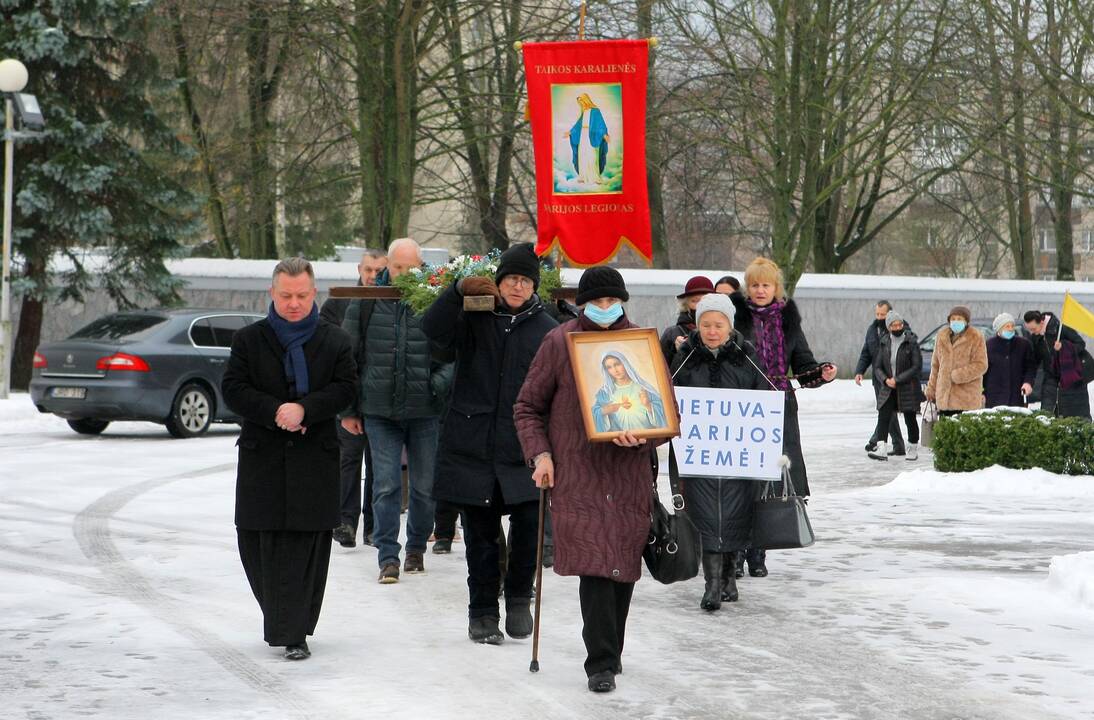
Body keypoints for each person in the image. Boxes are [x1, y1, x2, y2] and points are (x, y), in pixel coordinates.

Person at [514, 266, 674, 694]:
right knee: (596, 567)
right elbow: (527, 407)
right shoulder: (559, 342)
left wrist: (643, 435)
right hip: (579, 473)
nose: (604, 309)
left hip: (628, 475)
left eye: (611, 301)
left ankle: (611, 650)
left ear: (622, 302)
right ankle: (599, 662)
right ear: (581, 304)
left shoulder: (640, 344)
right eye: (596, 302)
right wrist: (541, 454)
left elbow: (664, 411)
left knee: (622, 565)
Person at [421, 242, 558, 645]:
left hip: (523, 447)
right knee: (479, 537)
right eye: (511, 278)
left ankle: (518, 597)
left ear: (534, 286)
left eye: (525, 280)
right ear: (499, 282)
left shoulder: (548, 330)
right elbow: (432, 331)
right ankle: (481, 612)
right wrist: (457, 290)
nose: (517, 286)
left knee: (529, 527)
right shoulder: (476, 315)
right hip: (473, 444)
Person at [221, 258, 357, 661]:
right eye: (286, 296)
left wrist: (306, 410)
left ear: (313, 294)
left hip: (314, 460)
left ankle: (292, 631)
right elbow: (233, 388)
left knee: (305, 547)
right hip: (262, 459)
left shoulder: (335, 340)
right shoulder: (249, 340)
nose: (294, 304)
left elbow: (346, 388)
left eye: (301, 296)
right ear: (272, 294)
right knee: (255, 544)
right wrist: (276, 410)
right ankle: (284, 619)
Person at [341, 238, 453, 584]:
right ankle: (387, 555)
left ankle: (416, 547)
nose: (404, 274)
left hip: (424, 410)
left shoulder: (434, 300)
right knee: (386, 485)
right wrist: (349, 409)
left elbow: (453, 353)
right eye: (399, 267)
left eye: (412, 267)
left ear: (422, 266)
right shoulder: (367, 301)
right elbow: (348, 356)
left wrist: (436, 385)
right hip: (379, 410)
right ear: (388, 264)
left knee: (423, 486)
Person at [730, 257, 836, 578]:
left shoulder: (788, 321)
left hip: (778, 409)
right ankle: (734, 551)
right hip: (741, 408)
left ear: (776, 289)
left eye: (766, 285)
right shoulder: (734, 317)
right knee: (739, 482)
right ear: (747, 288)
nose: (760, 290)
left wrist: (821, 373)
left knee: (769, 483)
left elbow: (803, 365)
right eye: (755, 285)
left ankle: (757, 552)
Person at [669, 292, 768, 611]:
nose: (712, 331)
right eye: (707, 324)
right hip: (700, 456)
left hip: (738, 456)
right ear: (698, 325)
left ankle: (729, 577)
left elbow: (764, 397)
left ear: (730, 325)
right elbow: (670, 395)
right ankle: (711, 585)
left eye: (719, 324)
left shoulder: (747, 355)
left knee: (736, 517)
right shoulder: (685, 355)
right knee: (707, 519)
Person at [320, 248, 387, 549]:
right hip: (347, 392)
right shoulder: (339, 300)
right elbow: (323, 341)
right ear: (359, 269)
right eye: (368, 270)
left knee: (378, 465)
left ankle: (373, 527)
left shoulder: (393, 301)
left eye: (378, 270)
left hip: (380, 396)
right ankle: (345, 522)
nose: (372, 276)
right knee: (348, 460)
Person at [866, 310, 923, 461]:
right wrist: (885, 380)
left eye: (900, 324)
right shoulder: (884, 342)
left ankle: (912, 447)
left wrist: (897, 379)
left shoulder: (911, 342)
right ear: (889, 326)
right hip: (888, 386)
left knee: (909, 417)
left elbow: (916, 366)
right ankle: (882, 448)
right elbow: (877, 366)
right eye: (894, 325)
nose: (897, 327)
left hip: (907, 386)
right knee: (884, 415)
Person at [854, 300, 906, 456]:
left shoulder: (898, 328)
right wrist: (860, 371)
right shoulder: (872, 330)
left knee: (887, 410)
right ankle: (897, 445)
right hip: (879, 379)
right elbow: (866, 353)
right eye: (877, 314)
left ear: (889, 313)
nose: (879, 317)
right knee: (887, 411)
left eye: (882, 314)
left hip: (893, 378)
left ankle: (876, 441)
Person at [1023, 310, 1091, 420]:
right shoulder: (1035, 337)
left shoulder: (1061, 329)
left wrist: (1064, 347)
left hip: (1071, 376)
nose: (1032, 332)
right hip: (1050, 377)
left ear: (1041, 322)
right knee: (1047, 413)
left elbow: (1081, 344)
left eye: (1033, 329)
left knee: (1075, 414)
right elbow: (1034, 361)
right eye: (1029, 329)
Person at [925, 306, 988, 417]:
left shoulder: (976, 336)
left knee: (964, 432)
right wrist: (931, 388)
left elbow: (981, 364)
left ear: (966, 321)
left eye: (959, 319)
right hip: (944, 398)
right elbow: (936, 365)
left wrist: (958, 375)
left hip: (966, 399)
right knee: (945, 432)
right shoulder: (942, 336)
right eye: (953, 319)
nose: (955, 322)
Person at [592, 351, 668, 432]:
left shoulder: (643, 388)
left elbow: (664, 412)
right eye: (609, 367)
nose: (615, 370)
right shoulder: (605, 392)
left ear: (624, 363)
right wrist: (606, 410)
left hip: (645, 437)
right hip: (617, 439)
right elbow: (594, 414)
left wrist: (648, 405)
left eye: (617, 364)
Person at [984, 313, 1037, 409]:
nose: (1010, 328)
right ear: (999, 329)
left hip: (1017, 394)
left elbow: (1030, 368)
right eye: (1007, 326)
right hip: (994, 395)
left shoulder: (1023, 345)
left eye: (1012, 326)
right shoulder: (989, 346)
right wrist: (982, 392)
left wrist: (1028, 382)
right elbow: (983, 371)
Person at [659, 276, 715, 364]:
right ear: (686, 304)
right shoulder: (671, 334)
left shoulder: (725, 331)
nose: (700, 306)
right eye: (694, 301)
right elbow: (660, 368)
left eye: (705, 300)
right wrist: (675, 350)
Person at [567, 93, 609, 185]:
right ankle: (583, 176)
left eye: (581, 101)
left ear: (586, 100)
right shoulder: (584, 112)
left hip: (591, 136)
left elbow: (600, 124)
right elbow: (578, 126)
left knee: (592, 156)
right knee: (582, 155)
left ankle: (595, 177)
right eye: (579, 102)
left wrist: (604, 134)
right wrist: (570, 132)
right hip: (583, 136)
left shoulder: (595, 111)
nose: (581, 104)